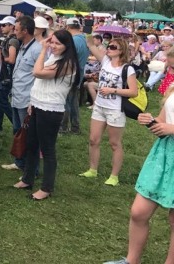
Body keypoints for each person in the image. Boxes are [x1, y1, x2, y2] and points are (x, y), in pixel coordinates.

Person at [104, 87, 174, 264]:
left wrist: (171, 129)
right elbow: (164, 120)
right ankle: (131, 261)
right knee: (138, 212)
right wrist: (153, 121)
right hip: (163, 155)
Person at [13, 30, 80, 200]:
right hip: (37, 105)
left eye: (58, 43)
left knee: (47, 149)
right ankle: (27, 179)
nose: (53, 46)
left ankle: (46, 188)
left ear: (67, 45)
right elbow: (40, 81)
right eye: (52, 42)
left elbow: (37, 73)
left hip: (50, 109)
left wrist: (43, 49)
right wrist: (32, 103)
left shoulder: (68, 63)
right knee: (31, 144)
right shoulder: (55, 58)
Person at [79, 38, 138, 186]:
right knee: (93, 139)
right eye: (109, 46)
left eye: (113, 47)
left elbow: (133, 92)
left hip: (115, 109)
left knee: (114, 143)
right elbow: (91, 45)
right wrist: (89, 33)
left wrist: (112, 90)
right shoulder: (105, 60)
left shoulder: (127, 69)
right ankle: (92, 170)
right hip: (99, 106)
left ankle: (114, 176)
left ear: (121, 51)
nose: (109, 48)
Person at [2, 15, 42, 171]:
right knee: (18, 132)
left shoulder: (37, 49)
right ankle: (20, 162)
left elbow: (40, 76)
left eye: (17, 29)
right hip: (17, 95)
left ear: (25, 31)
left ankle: (32, 169)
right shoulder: (23, 46)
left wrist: (33, 100)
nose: (14, 32)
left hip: (27, 98)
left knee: (29, 136)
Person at [60, 18, 89, 134]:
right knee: (74, 102)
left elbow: (68, 59)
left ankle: (63, 127)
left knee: (66, 102)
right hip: (80, 74)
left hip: (71, 74)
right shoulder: (84, 39)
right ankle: (75, 127)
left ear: (68, 27)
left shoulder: (73, 41)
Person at [0, 16, 19, 132]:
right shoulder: (6, 39)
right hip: (4, 75)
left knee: (1, 100)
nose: (1, 27)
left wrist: (0, 56)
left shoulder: (12, 41)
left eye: (4, 25)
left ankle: (17, 124)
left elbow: (12, 59)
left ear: (12, 26)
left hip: (7, 76)